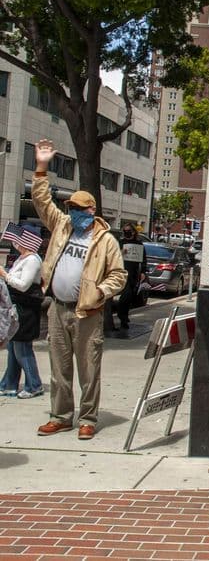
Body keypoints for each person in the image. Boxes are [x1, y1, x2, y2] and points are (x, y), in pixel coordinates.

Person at [31, 139, 127, 440]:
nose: (74, 212)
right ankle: (60, 416)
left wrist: (100, 291)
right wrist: (42, 167)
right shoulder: (62, 226)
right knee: (59, 368)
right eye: (71, 208)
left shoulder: (106, 240)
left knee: (89, 370)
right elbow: (42, 202)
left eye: (80, 208)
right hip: (59, 308)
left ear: (92, 209)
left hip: (87, 312)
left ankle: (87, 418)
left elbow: (119, 275)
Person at [0, 227, 45, 399]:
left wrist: (5, 275)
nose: (14, 241)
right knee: (13, 348)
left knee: (22, 349)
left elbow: (24, 284)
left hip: (25, 311)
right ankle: (8, 385)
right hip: (17, 308)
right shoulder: (22, 258)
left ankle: (34, 385)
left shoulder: (32, 260)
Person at [116, 225, 147, 330]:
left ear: (133, 232)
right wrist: (121, 253)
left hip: (133, 274)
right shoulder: (120, 243)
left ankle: (124, 316)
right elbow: (114, 257)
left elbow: (143, 259)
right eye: (124, 231)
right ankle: (123, 318)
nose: (126, 232)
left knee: (129, 297)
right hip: (121, 273)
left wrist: (143, 271)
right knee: (125, 296)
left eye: (128, 231)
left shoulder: (139, 244)